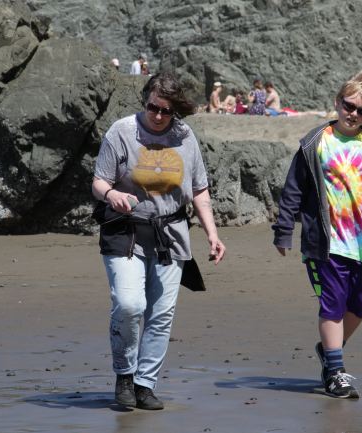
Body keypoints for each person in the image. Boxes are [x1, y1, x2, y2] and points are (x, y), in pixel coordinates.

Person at [92, 73, 226, 410]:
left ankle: (144, 384)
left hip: (171, 235)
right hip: (125, 231)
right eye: (153, 107)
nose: (159, 116)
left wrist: (212, 234)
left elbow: (199, 189)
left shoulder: (184, 136)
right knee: (129, 305)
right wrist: (111, 195)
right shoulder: (122, 131)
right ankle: (125, 374)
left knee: (161, 314)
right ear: (145, 101)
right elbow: (99, 181)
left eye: (167, 111)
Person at [271, 71, 362, 399]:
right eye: (349, 106)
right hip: (326, 243)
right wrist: (284, 230)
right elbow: (293, 189)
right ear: (337, 102)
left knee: (359, 305)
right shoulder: (316, 142)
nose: (353, 114)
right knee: (332, 304)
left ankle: (329, 350)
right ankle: (335, 372)